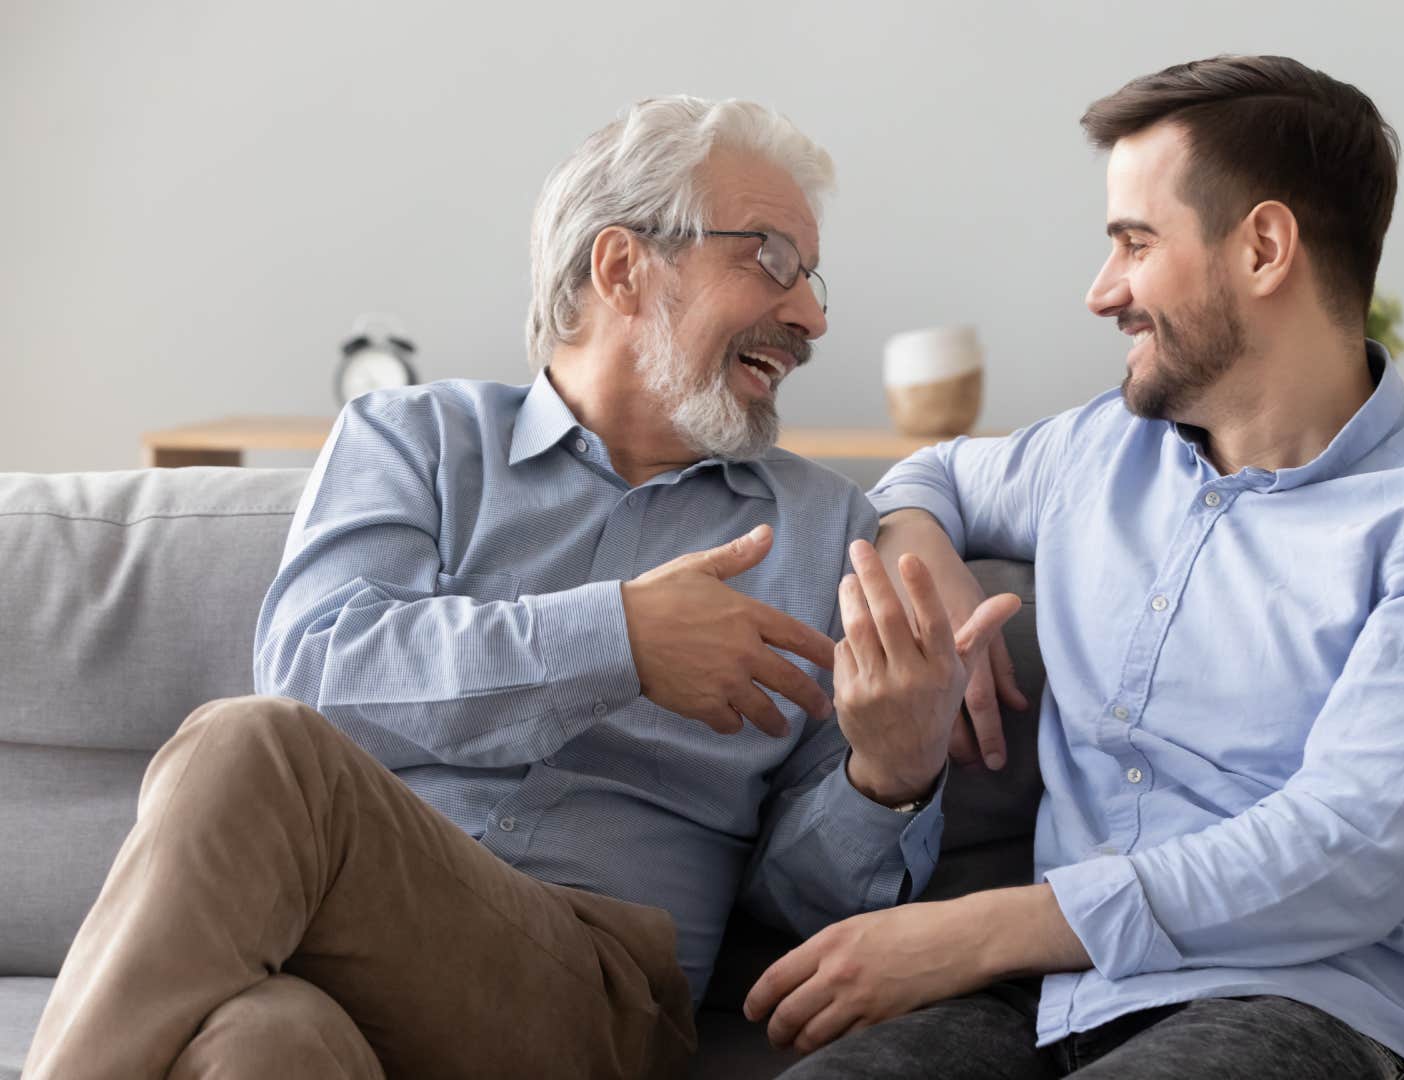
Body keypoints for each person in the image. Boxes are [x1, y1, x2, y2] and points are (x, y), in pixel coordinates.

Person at [24, 95, 1013, 1080]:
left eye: (812, 277)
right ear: (623, 267)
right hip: (344, 945)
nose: (813, 315)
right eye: (772, 260)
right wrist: (616, 638)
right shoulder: (415, 443)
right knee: (261, 1042)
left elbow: (807, 922)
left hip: (596, 992)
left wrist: (887, 776)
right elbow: (313, 671)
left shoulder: (822, 529)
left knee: (250, 749)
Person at [744, 55, 1404, 1080]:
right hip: (1051, 1004)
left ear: (1265, 248)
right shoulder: (1099, 452)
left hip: (1317, 1008)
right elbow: (926, 476)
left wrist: (979, 931)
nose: (1101, 290)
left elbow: (1345, 857)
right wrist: (926, 559)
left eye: (1134, 244)